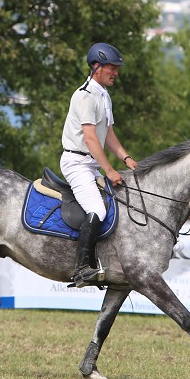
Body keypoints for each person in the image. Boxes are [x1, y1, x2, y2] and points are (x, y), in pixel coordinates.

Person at [61, 42, 138, 287]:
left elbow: (109, 136)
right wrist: (110, 170)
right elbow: (91, 138)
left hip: (91, 165)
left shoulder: (104, 95)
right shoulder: (84, 95)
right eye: (111, 68)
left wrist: (126, 158)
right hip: (76, 163)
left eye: (117, 68)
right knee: (98, 209)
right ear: (96, 67)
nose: (116, 73)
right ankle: (82, 267)